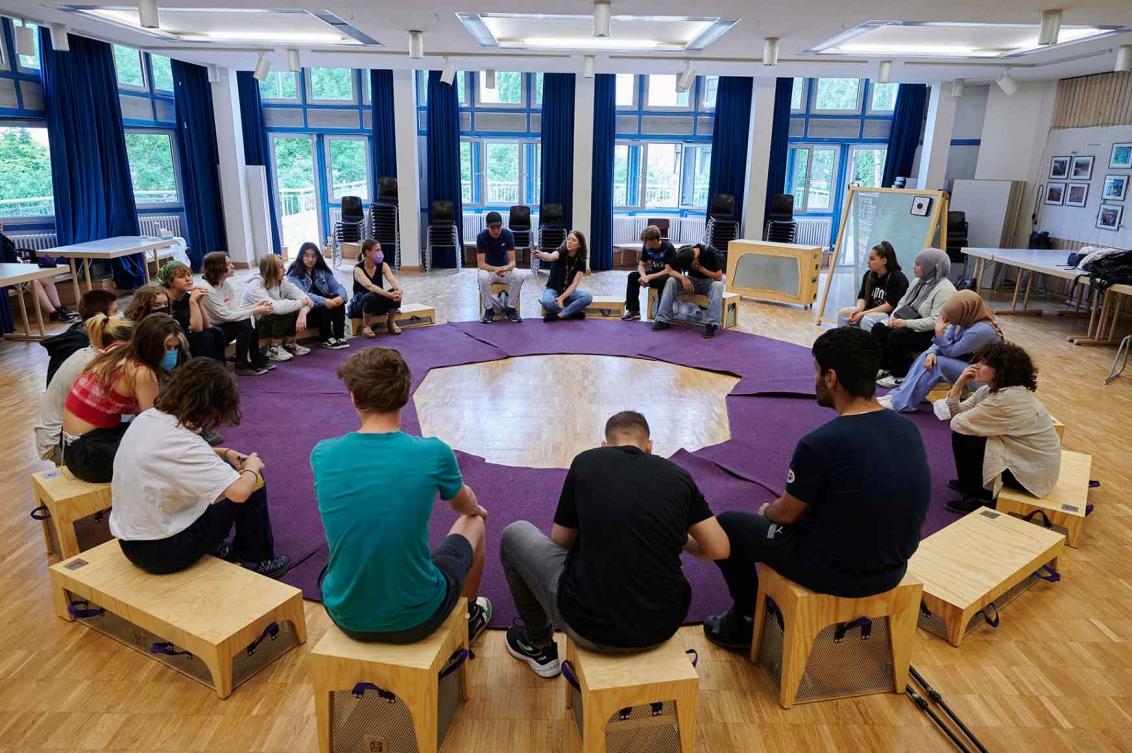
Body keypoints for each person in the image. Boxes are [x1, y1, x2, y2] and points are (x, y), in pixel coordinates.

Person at [702, 327, 930, 650]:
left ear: (831, 377)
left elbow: (786, 514)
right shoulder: (907, 428)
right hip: (893, 567)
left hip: (837, 572)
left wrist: (768, 510)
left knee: (728, 526)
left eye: (816, 371)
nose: (815, 379)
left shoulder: (820, 443)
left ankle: (745, 621)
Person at [501, 411, 730, 677]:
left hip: (588, 626)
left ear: (604, 446)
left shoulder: (587, 462)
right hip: (663, 625)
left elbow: (559, 542)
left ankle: (537, 643)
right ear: (649, 446)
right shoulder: (678, 476)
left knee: (513, 534)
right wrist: (680, 539)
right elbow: (720, 548)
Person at [311, 347, 492, 643]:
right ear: (406, 395)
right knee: (475, 522)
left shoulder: (322, 453)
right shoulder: (433, 452)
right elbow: (463, 503)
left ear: (354, 397)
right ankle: (469, 617)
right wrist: (477, 509)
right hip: (417, 618)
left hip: (345, 615)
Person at [109, 358, 292, 579]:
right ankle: (257, 560)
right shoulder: (183, 442)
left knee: (224, 474)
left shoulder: (149, 418)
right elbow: (240, 492)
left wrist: (224, 453)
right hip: (165, 551)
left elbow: (169, 456)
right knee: (253, 482)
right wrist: (252, 468)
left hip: (131, 543)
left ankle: (218, 547)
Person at [61, 313, 188, 483]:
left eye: (175, 348)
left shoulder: (119, 351)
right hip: (89, 455)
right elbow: (154, 423)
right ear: (151, 347)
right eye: (167, 348)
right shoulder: (141, 371)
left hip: (73, 446)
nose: (172, 353)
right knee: (167, 453)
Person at [942, 342, 1061, 514]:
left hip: (1032, 473)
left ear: (1002, 370)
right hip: (1029, 459)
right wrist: (959, 384)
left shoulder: (1006, 400)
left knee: (966, 437)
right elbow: (958, 415)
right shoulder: (991, 390)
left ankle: (978, 496)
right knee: (970, 431)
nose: (976, 366)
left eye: (984, 363)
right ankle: (970, 484)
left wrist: (963, 411)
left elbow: (957, 423)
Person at [879, 290, 1003, 412]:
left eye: (951, 319)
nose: (949, 322)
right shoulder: (964, 318)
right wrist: (932, 352)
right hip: (971, 366)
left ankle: (902, 402)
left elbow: (951, 351)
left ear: (963, 312)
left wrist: (938, 332)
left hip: (984, 378)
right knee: (927, 356)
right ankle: (899, 395)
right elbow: (944, 341)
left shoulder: (982, 330)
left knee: (937, 363)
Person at [35, 314, 135, 464]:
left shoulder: (93, 354)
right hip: (57, 442)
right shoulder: (98, 364)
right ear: (120, 344)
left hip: (60, 434)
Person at [872, 248, 956, 386]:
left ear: (931, 267)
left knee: (898, 336)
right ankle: (885, 367)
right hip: (910, 323)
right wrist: (893, 318)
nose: (913, 267)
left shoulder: (945, 289)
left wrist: (905, 323)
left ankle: (900, 374)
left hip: (931, 333)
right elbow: (902, 302)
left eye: (918, 264)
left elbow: (936, 322)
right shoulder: (917, 282)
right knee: (879, 328)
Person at [199, 251, 274, 376]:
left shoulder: (226, 285)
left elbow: (234, 311)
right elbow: (225, 315)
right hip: (212, 331)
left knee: (250, 318)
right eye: (228, 264)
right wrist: (255, 310)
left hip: (223, 325)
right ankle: (241, 364)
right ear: (217, 268)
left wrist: (255, 307)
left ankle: (255, 358)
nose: (233, 266)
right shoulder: (206, 289)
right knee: (245, 322)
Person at [0, 220, 80, 323]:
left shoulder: (3, 238)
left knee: (47, 278)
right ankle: (53, 313)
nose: (1, 224)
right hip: (7, 277)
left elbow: (12, 256)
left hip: (17, 270)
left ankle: (59, 309)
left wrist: (21, 262)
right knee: (35, 283)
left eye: (1, 222)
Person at [241, 254, 314, 362]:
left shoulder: (282, 282)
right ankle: (274, 348)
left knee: (293, 307)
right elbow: (276, 308)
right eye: (281, 267)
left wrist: (303, 312)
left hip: (268, 319)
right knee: (286, 310)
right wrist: (300, 303)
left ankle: (289, 344)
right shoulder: (255, 285)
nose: (285, 270)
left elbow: (308, 300)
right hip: (251, 324)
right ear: (270, 270)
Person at [41, 289, 119, 386]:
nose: (119, 316)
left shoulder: (82, 335)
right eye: (115, 311)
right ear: (101, 317)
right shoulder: (78, 349)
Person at [158, 261, 228, 363]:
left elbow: (207, 325)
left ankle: (218, 370)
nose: (188, 279)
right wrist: (193, 301)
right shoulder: (165, 301)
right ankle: (203, 372)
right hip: (173, 340)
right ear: (170, 281)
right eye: (181, 277)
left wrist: (198, 301)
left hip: (189, 335)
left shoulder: (186, 297)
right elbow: (197, 329)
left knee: (216, 332)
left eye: (189, 275)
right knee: (203, 337)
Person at [652, 243, 725, 339]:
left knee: (718, 286)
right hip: (691, 280)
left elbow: (719, 277)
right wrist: (683, 278)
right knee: (671, 281)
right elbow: (670, 270)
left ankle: (711, 324)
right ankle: (662, 319)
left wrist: (700, 268)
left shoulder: (710, 252)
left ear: (694, 258)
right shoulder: (683, 252)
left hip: (708, 282)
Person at [286, 242, 350, 350]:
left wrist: (341, 297)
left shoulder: (322, 270)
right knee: (324, 303)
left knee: (336, 299)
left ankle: (339, 335)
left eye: (314, 256)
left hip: (325, 310)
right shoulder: (294, 273)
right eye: (307, 255)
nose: (310, 259)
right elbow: (301, 294)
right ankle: (326, 337)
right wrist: (323, 300)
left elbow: (337, 286)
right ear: (301, 256)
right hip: (306, 311)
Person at [836, 241, 909, 330]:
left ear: (884, 261)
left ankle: (868, 343)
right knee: (843, 313)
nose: (868, 262)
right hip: (869, 311)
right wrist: (858, 309)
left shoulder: (897, 277)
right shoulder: (869, 275)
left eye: (872, 259)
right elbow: (862, 297)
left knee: (867, 320)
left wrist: (863, 313)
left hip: (888, 315)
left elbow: (890, 306)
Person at [348, 240, 404, 338]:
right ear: (367, 252)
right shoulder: (358, 269)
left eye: (380, 250)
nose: (380, 253)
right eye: (377, 250)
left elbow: (393, 280)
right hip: (360, 305)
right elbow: (370, 286)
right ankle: (366, 326)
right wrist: (388, 295)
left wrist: (398, 291)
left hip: (376, 303)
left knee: (394, 293)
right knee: (372, 295)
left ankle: (390, 322)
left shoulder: (383, 265)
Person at [535, 230, 592, 322]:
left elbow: (574, 284)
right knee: (547, 302)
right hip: (553, 289)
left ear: (579, 244)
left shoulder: (581, 260)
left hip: (568, 291)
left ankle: (560, 315)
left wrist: (562, 297)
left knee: (588, 297)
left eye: (573, 240)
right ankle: (572, 313)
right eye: (568, 239)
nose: (569, 242)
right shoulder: (560, 251)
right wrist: (541, 255)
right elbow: (551, 257)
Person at [476, 211, 523, 323]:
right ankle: (489, 310)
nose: (496, 230)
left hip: (504, 270)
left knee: (519, 275)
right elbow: (481, 264)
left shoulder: (508, 234)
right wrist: (495, 269)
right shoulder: (481, 237)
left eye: (498, 227)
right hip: (489, 271)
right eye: (493, 228)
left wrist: (505, 268)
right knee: (482, 277)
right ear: (488, 227)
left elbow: (513, 262)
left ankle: (511, 309)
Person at [622, 225, 676, 321]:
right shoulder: (647, 247)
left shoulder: (668, 248)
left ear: (655, 240)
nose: (645, 243)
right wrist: (643, 276)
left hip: (667, 276)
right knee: (632, 276)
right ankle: (634, 310)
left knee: (663, 282)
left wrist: (649, 277)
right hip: (655, 274)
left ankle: (661, 315)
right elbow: (641, 265)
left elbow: (668, 270)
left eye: (646, 241)